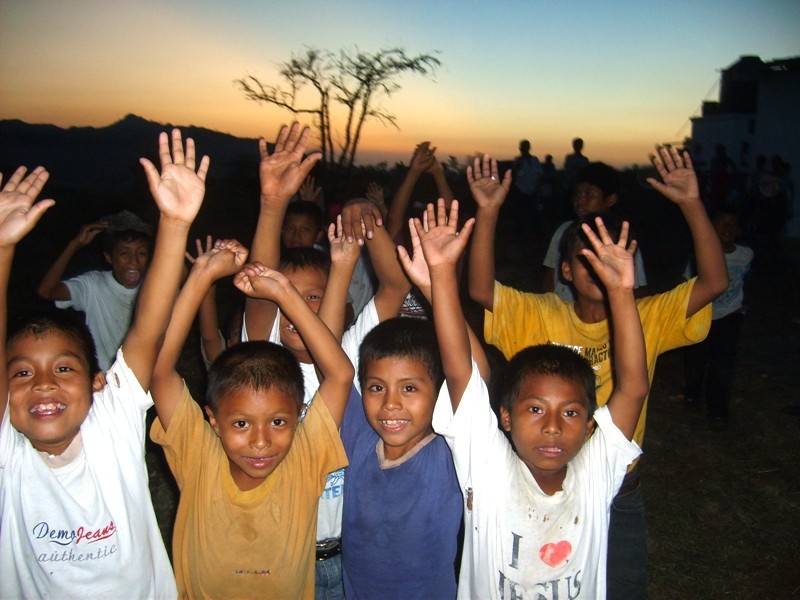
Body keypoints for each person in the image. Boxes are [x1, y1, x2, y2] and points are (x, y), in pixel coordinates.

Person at [468, 147, 729, 599]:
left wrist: (690, 203)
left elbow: (714, 283)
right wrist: (488, 211)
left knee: (625, 586)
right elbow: (479, 289)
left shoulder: (646, 315)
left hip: (617, 486)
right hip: (540, 482)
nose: (596, 261)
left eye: (607, 251)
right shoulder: (538, 312)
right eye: (583, 253)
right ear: (566, 269)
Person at [1, 128, 208, 598]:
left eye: (64, 368)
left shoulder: (112, 422)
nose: (45, 384)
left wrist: (175, 224)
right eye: (23, 372)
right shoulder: (7, 455)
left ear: (97, 383)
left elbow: (147, 332)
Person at [431, 192, 648, 596]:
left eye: (569, 413)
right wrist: (442, 274)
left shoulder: (597, 473)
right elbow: (460, 370)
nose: (552, 427)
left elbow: (633, 387)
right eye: (535, 408)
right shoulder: (487, 467)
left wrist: (621, 292)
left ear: (589, 426)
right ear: (506, 416)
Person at [149, 243, 353, 598]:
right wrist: (201, 275)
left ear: (298, 414)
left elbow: (339, 376)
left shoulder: (305, 458)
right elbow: (158, 370)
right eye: (241, 424)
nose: (261, 441)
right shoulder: (198, 455)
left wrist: (285, 294)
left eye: (277, 422)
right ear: (212, 420)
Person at [338, 200, 488, 600]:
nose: (390, 404)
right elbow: (333, 364)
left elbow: (473, 375)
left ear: (438, 394)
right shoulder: (356, 435)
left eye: (409, 388)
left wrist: (436, 286)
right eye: (376, 388)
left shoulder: (449, 452)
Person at [36, 212, 153, 370]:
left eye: (142, 253)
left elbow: (184, 281)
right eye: (124, 253)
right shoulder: (93, 285)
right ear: (109, 257)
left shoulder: (153, 286)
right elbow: (46, 291)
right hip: (103, 380)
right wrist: (74, 245)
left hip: (144, 378)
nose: (134, 261)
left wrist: (164, 239)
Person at [683, 205, 754, 429]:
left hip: (730, 316)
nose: (727, 228)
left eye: (732, 224)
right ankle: (692, 394)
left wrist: (742, 303)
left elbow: (746, 280)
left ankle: (718, 410)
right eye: (722, 223)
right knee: (696, 359)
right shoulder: (701, 255)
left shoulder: (746, 255)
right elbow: (687, 284)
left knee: (723, 365)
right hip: (702, 315)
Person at [542, 162, 648, 300]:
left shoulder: (621, 239)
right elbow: (550, 276)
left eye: (590, 195)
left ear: (610, 199)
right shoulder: (563, 231)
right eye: (578, 194)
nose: (581, 200)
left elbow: (637, 289)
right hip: (564, 313)